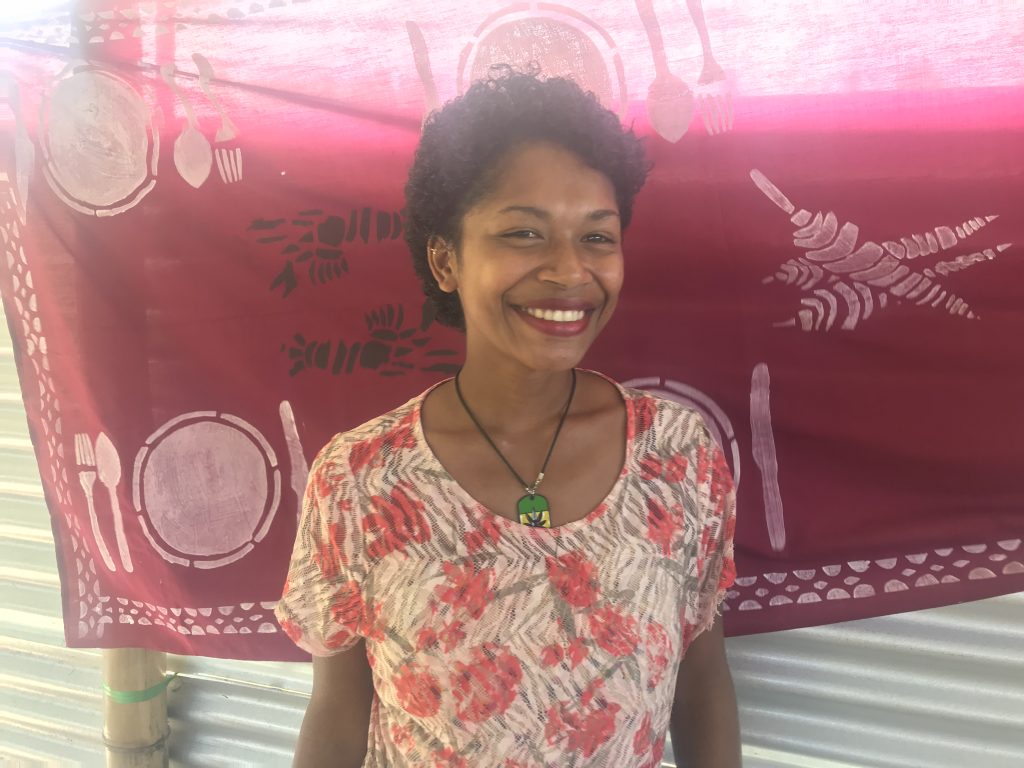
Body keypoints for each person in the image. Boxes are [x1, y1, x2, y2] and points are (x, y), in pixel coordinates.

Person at [275, 68, 741, 768]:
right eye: (524, 233)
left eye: (597, 237)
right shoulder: (360, 481)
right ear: (445, 260)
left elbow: (700, 681)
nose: (568, 271)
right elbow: (337, 714)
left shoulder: (678, 455)